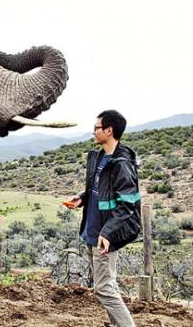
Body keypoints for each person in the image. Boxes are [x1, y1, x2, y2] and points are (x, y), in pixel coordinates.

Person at [67, 110, 141, 327]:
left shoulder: (122, 163)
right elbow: (99, 190)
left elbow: (127, 205)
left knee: (103, 289)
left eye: (97, 128)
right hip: (94, 230)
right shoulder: (100, 157)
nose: (93, 131)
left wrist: (108, 232)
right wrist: (82, 197)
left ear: (109, 131)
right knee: (108, 284)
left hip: (105, 235)